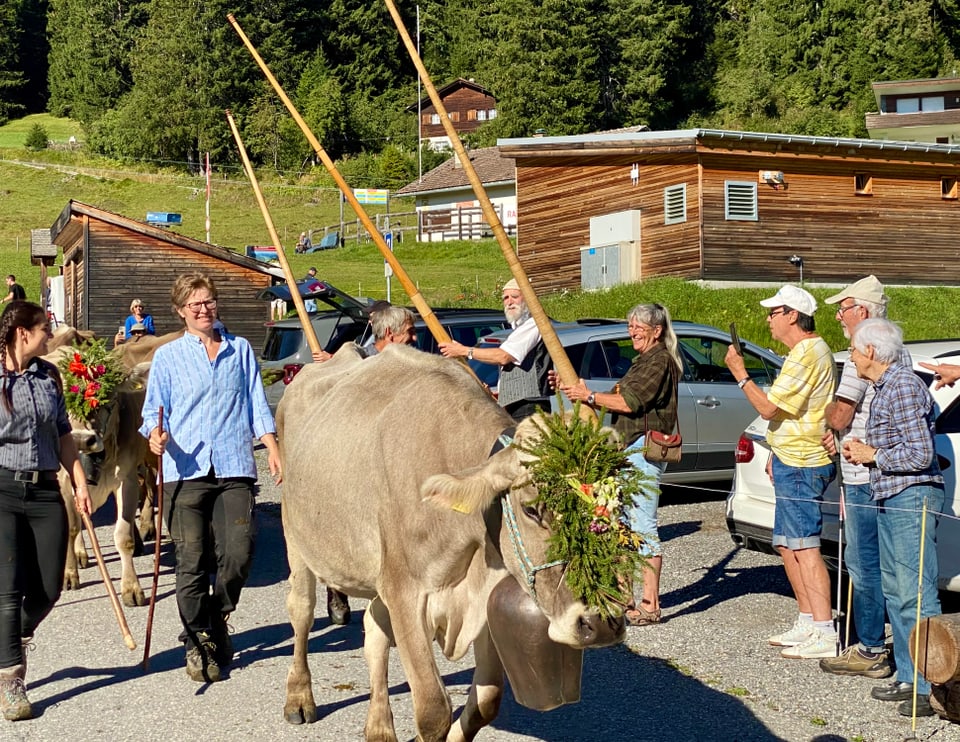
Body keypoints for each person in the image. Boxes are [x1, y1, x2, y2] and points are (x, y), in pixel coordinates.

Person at [139, 273, 281, 684]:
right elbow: (152, 412)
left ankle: (215, 617)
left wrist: (272, 447)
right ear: (181, 311)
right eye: (195, 305)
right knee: (191, 560)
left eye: (209, 302)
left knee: (239, 553)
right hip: (185, 471)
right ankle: (198, 639)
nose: (204, 310)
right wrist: (155, 435)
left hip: (234, 464)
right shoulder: (168, 357)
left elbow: (256, 400)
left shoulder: (239, 350)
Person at [550, 303, 680, 626]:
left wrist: (589, 396)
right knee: (621, 524)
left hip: (643, 452)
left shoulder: (660, 361)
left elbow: (628, 402)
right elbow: (614, 394)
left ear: (657, 331)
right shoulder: (643, 361)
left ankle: (651, 605)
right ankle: (624, 598)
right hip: (627, 451)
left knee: (643, 525)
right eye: (630, 326)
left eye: (638, 327)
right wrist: (573, 389)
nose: (632, 332)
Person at [724, 285, 837, 659]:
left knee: (805, 546)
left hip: (805, 462)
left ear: (792, 315)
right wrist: (775, 448)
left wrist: (741, 375)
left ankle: (824, 629)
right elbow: (787, 414)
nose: (768, 319)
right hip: (792, 457)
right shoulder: (800, 353)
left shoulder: (807, 353)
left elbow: (771, 408)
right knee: (788, 545)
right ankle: (808, 619)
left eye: (773, 312)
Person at [842, 319, 943, 718]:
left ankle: (929, 683)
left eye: (852, 350)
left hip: (909, 497)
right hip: (889, 494)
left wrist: (874, 456)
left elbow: (921, 454)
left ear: (870, 352)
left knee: (915, 592)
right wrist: (866, 450)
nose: (850, 357)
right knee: (897, 591)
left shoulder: (901, 385)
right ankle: (908, 676)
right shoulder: (883, 387)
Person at [0, 301, 91, 721]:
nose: (49, 336)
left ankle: (12, 637)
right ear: (23, 334)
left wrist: (79, 479)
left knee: (51, 584)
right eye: (44, 330)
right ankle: (11, 680)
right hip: (1, 489)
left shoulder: (48, 376)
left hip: (44, 490)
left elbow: (62, 434)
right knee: (7, 587)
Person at [819, 276, 903, 680]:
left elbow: (842, 413)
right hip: (874, 467)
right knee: (882, 561)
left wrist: (825, 421)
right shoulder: (894, 350)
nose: (838, 315)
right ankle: (884, 647)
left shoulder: (861, 356)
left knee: (862, 561)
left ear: (863, 312)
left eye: (844, 307)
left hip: (862, 474)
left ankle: (870, 647)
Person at [438, 278, 550, 420]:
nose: (509, 302)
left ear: (528, 299)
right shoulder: (518, 329)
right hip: (517, 408)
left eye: (515, 297)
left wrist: (464, 351)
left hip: (530, 407)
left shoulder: (535, 323)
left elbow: (503, 357)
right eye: (505, 298)